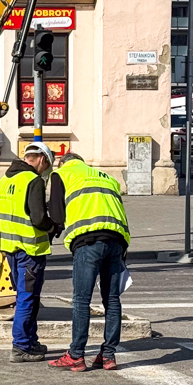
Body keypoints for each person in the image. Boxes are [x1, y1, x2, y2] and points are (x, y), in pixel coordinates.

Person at [46, 154, 131, 372]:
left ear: (62, 163)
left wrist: (51, 232)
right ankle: (109, 355)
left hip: (88, 241)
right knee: (112, 300)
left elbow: (56, 214)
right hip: (116, 241)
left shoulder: (62, 173)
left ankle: (76, 355)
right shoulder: (107, 177)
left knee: (81, 300)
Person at [0, 142, 57, 364]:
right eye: (47, 165)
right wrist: (52, 227)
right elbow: (38, 217)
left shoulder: (6, 180)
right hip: (29, 249)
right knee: (27, 298)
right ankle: (21, 346)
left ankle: (30, 341)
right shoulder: (33, 180)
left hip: (10, 248)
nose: (46, 170)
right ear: (41, 159)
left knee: (26, 296)